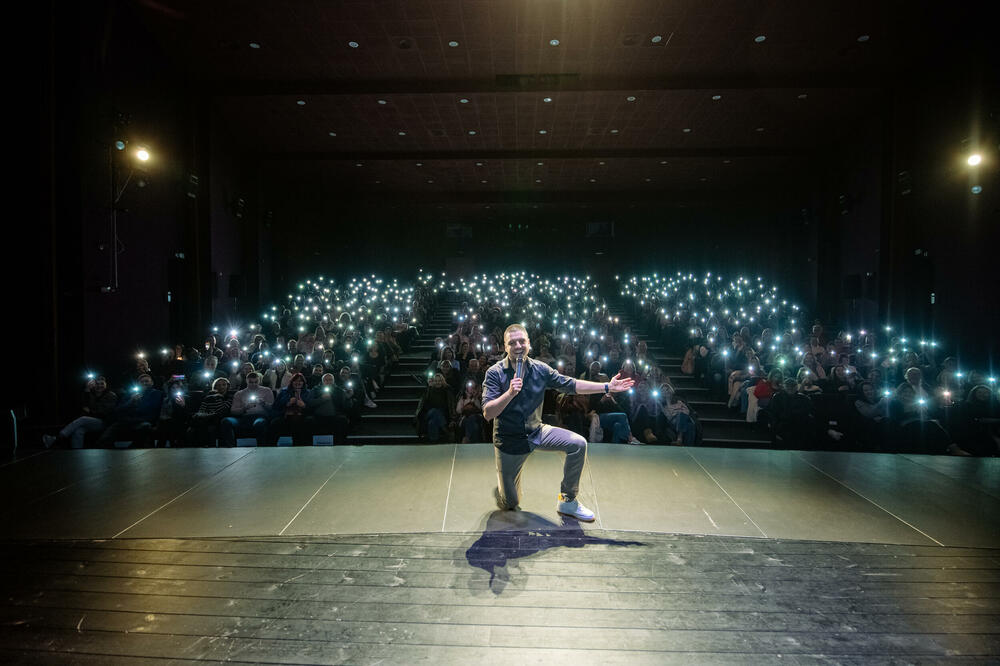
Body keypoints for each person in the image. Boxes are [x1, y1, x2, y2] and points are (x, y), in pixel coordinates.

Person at [483, 324, 634, 521]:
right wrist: (510, 393)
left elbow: (571, 385)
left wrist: (607, 386)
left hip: (536, 431)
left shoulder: (540, 369)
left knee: (578, 444)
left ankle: (567, 500)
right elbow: (488, 413)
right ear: (505, 346)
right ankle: (504, 488)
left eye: (522, 341)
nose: (518, 346)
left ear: (528, 343)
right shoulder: (494, 373)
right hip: (509, 441)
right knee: (511, 503)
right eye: (512, 343)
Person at [43, 376, 118, 449]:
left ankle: (56, 438)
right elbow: (84, 405)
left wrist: (90, 412)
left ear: (106, 384)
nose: (99, 386)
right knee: (78, 430)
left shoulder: (111, 395)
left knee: (83, 419)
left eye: (102, 384)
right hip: (92, 421)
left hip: (105, 422)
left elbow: (104, 412)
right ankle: (77, 452)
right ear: (94, 385)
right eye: (97, 384)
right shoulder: (92, 394)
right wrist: (87, 390)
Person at [97, 374, 164, 447]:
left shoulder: (157, 393)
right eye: (142, 382)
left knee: (144, 427)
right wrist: (131, 402)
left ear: (152, 383)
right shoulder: (130, 394)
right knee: (104, 439)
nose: (144, 383)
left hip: (143, 421)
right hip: (126, 421)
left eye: (146, 381)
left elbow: (152, 409)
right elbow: (118, 409)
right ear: (138, 384)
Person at [220, 371, 273, 446]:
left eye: (256, 382)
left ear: (259, 381)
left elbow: (272, 408)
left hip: (260, 416)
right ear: (246, 381)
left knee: (259, 423)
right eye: (251, 382)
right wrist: (244, 408)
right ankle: (231, 447)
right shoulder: (239, 393)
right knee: (226, 421)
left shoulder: (267, 391)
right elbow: (233, 411)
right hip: (244, 418)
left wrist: (263, 403)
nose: (253, 384)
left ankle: (262, 448)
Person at [186, 378, 232, 446]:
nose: (221, 387)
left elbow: (221, 411)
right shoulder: (208, 397)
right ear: (215, 387)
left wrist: (219, 398)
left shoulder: (230, 397)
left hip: (220, 419)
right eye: (218, 385)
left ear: (227, 386)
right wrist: (209, 414)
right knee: (197, 424)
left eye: (224, 385)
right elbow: (201, 411)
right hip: (207, 418)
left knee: (211, 426)